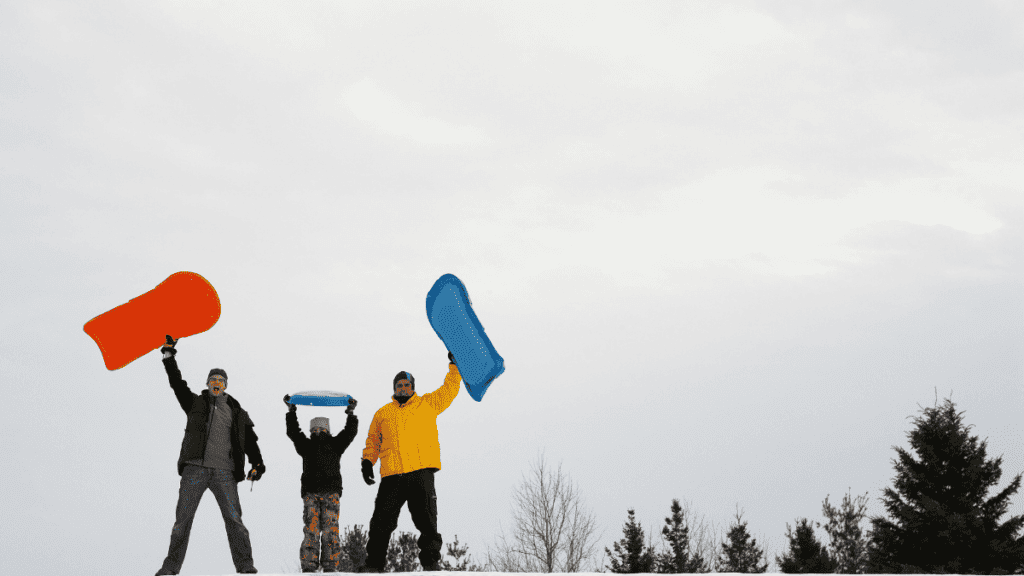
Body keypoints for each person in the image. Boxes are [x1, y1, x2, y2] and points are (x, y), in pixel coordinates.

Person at [155, 336, 265, 576]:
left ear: (225, 386)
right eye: (213, 380)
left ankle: (245, 566)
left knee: (234, 521)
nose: (217, 383)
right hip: (194, 469)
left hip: (224, 472)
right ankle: (170, 568)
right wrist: (168, 356)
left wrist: (257, 463)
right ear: (207, 383)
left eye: (221, 381)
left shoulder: (236, 411)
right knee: (182, 521)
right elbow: (177, 383)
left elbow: (250, 441)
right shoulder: (195, 403)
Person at [359, 352, 462, 572]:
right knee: (380, 523)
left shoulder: (427, 404)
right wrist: (368, 461)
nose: (403, 388)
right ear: (394, 388)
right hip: (392, 476)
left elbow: (449, 390)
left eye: (407, 384)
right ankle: (374, 564)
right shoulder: (382, 413)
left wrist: (454, 366)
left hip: (420, 473)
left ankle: (431, 563)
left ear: (413, 387)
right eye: (399, 385)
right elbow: (373, 441)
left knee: (427, 522)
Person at [283, 393, 360, 573]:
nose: (318, 432)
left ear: (327, 430)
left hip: (331, 493)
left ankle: (331, 566)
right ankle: (309, 566)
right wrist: (291, 411)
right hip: (311, 493)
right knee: (311, 530)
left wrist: (350, 413)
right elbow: (293, 432)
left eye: (322, 429)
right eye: (315, 429)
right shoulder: (306, 445)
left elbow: (350, 432)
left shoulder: (336, 444)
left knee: (330, 531)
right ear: (311, 431)